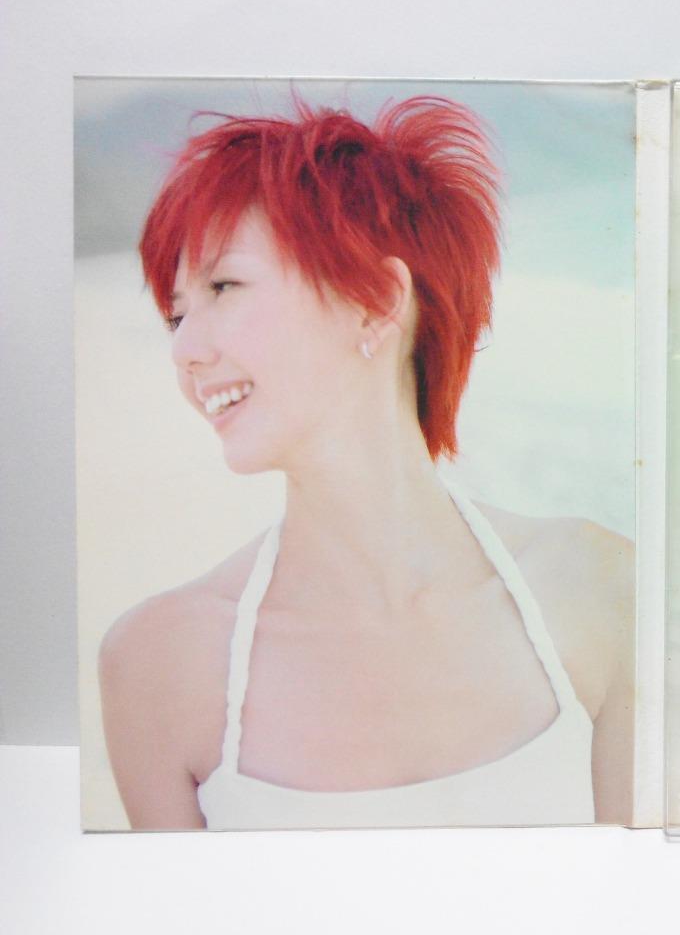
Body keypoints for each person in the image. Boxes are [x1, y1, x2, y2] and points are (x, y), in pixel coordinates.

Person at [98, 97, 635, 830]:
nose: (185, 351)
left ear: (377, 301)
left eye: (223, 287)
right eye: (176, 314)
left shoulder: (600, 590)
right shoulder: (159, 663)